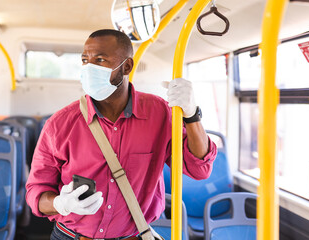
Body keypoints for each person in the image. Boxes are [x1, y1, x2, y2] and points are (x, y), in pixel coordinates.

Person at [25, 29, 217, 240]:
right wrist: (60, 204)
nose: (89, 68)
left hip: (132, 235)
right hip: (71, 235)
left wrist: (191, 116)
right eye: (84, 60)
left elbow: (200, 169)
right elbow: (36, 191)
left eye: (100, 59)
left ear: (127, 66)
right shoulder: (60, 124)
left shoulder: (159, 113)